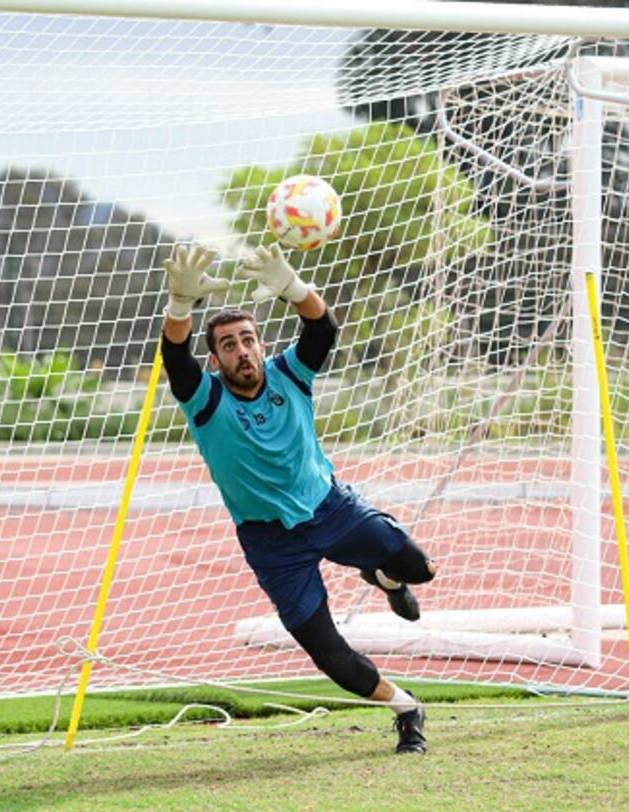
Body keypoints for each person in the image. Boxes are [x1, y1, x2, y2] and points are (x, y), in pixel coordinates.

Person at [159, 243, 438, 754]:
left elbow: (323, 329)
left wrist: (293, 288)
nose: (241, 351)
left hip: (332, 509)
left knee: (419, 566)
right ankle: (406, 707)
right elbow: (174, 356)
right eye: (228, 345)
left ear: (261, 345)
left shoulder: (290, 374)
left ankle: (385, 576)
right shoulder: (205, 400)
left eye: (248, 340)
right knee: (330, 655)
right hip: (272, 543)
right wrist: (180, 306)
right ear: (215, 359)